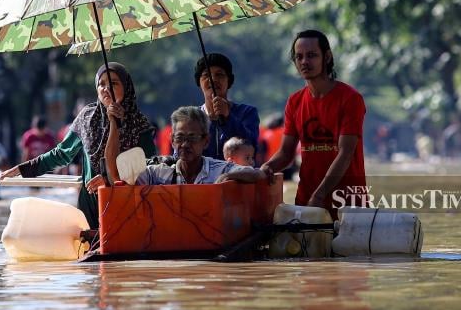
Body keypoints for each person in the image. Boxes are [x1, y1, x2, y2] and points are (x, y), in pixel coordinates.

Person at [0, 63, 156, 228]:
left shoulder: (139, 125)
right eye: (101, 84)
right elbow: (61, 154)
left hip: (127, 205)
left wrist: (110, 180)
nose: (106, 88)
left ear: (127, 87)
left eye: (113, 83)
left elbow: (149, 168)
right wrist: (22, 169)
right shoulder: (86, 118)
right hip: (90, 206)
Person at [261, 30, 367, 220]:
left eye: (311, 55)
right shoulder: (294, 102)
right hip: (307, 202)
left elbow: (346, 153)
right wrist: (266, 168)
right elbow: (286, 154)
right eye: (299, 57)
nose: (304, 62)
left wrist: (319, 195)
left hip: (348, 205)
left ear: (327, 57)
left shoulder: (350, 99)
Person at [137, 106, 265, 185]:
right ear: (172, 140)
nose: (185, 144)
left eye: (192, 138)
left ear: (206, 141)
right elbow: (125, 177)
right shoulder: (159, 173)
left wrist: (228, 176)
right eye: (180, 137)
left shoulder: (218, 170)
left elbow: (258, 174)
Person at [194, 53, 259, 161]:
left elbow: (250, 146)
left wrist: (228, 117)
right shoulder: (192, 117)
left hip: (237, 177)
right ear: (199, 82)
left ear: (229, 81)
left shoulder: (247, 112)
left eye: (219, 74)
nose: (213, 79)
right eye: (206, 75)